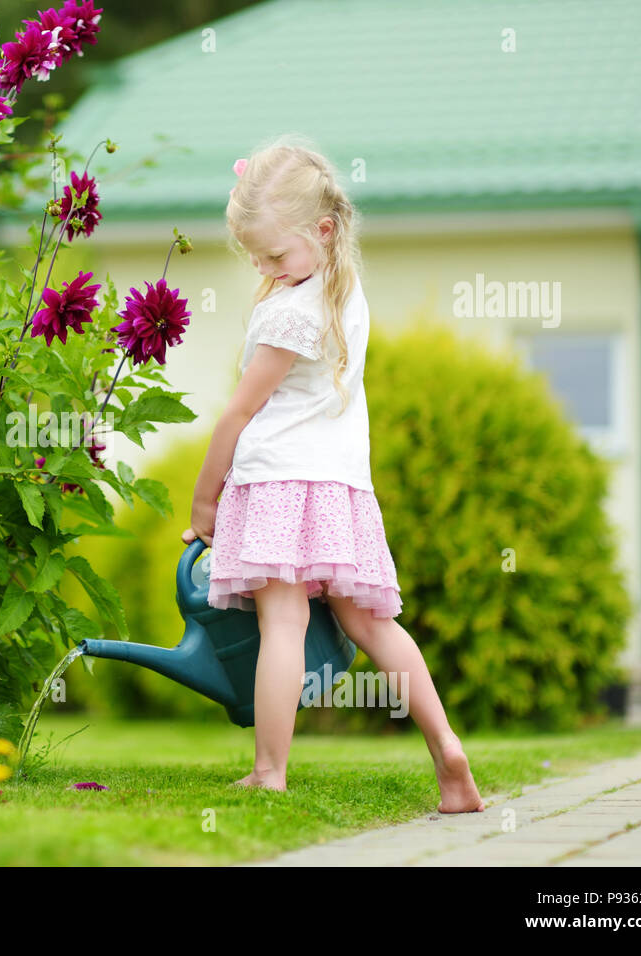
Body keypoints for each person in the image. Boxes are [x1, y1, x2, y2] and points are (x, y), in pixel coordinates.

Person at [182, 138, 484, 812]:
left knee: (283, 623)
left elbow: (240, 411)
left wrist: (206, 500)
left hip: (279, 483)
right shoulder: (347, 297)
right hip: (342, 486)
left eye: (275, 254)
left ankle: (270, 769)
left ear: (322, 231)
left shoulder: (290, 311)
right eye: (255, 257)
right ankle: (448, 752)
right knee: (373, 622)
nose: (265, 267)